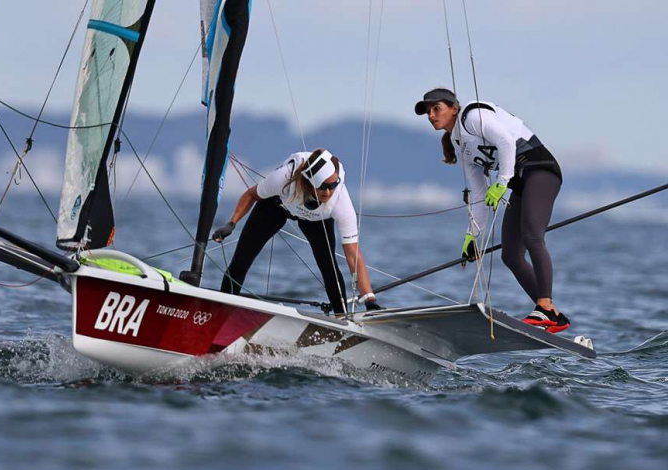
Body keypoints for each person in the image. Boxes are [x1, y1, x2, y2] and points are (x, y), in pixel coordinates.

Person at [414, 87, 569, 332]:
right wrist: (472, 236)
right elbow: (478, 194)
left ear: (454, 108)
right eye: (428, 112)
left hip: (540, 169)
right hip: (520, 182)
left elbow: (506, 141)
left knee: (532, 236)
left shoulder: (472, 116)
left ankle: (545, 307)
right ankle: (553, 315)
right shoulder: (458, 143)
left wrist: (502, 181)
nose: (432, 115)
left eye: (437, 109)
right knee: (510, 254)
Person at [212, 148, 381, 315]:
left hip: (316, 220)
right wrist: (231, 224)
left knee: (329, 268)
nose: (329, 191)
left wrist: (370, 300)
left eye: (333, 185)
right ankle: (221, 313)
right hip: (276, 206)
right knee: (241, 260)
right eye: (323, 186)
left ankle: (342, 319)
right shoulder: (284, 178)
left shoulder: (340, 201)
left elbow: (353, 255)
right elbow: (251, 195)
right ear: (310, 182)